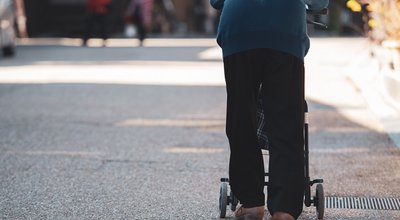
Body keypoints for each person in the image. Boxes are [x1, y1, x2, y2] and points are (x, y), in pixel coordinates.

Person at [209, 0, 329, 220]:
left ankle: (252, 203)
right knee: (286, 122)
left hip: (239, 30)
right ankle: (284, 209)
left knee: (241, 118)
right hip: (285, 31)